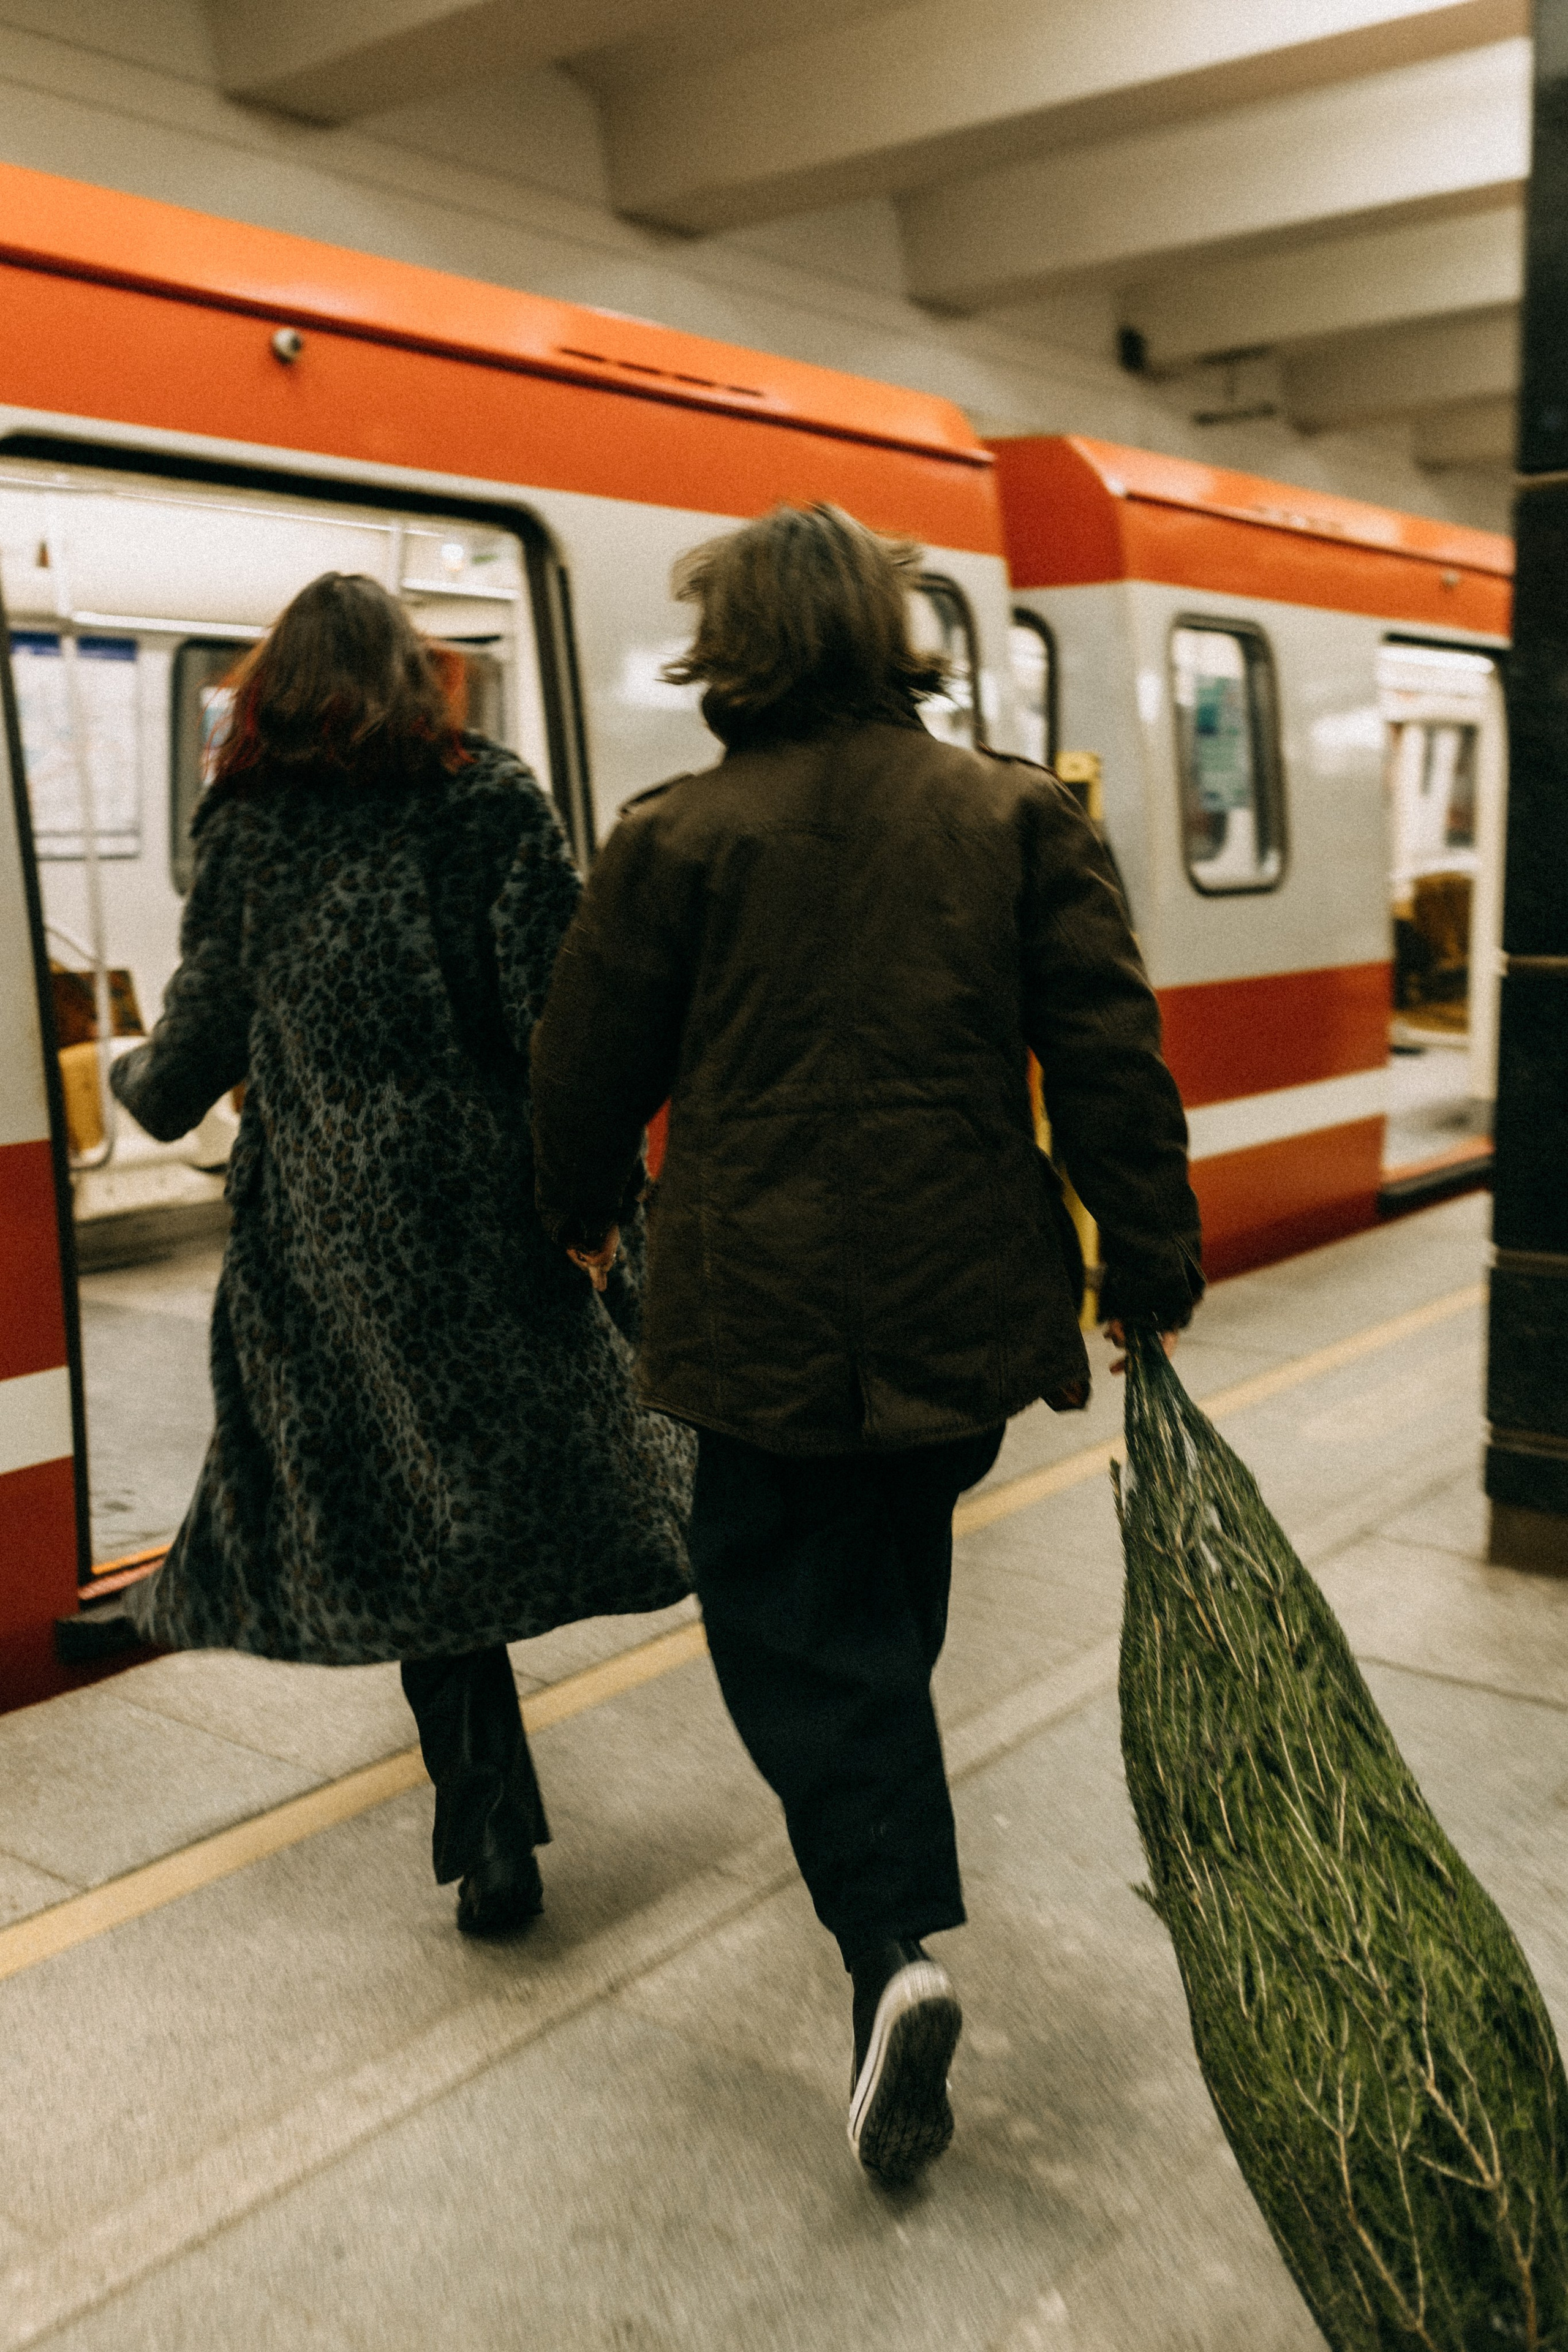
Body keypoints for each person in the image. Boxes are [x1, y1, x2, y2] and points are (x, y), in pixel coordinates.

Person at [528, 503, 1202, 2183]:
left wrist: (578, 1211)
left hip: (758, 1302)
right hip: (964, 1298)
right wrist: (1151, 1261)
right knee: (883, 1594)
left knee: (780, 1616)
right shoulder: (1015, 816)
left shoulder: (673, 838)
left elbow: (581, 1067)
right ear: (893, 636)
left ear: (732, 644)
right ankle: (881, 1933)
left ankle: (889, 1946)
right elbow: (1111, 1049)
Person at [110, 573, 693, 1936]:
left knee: (416, 1511)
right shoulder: (489, 801)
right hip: (481, 1214)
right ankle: (760, 1650)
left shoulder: (251, 827)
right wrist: (594, 1204)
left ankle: (490, 1835)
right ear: (411, 678)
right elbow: (560, 1025)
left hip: (329, 1241)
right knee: (569, 1458)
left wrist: (124, 1082)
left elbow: (193, 1049)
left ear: (267, 696)